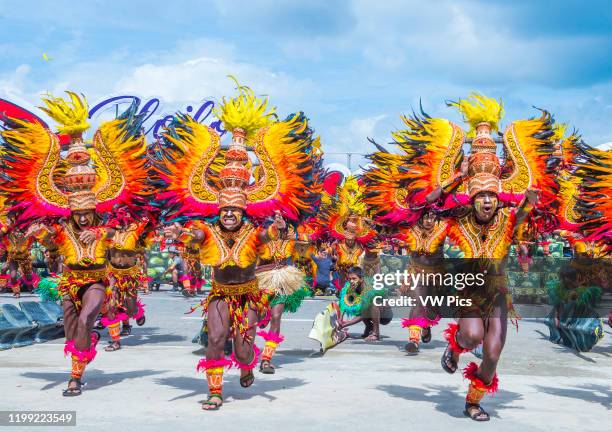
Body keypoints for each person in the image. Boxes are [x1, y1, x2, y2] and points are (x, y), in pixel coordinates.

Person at [157, 81, 319, 410]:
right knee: (216, 339)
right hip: (219, 294)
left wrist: (275, 229)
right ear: (219, 209)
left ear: (243, 210)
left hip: (248, 294)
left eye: (234, 210)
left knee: (244, 348)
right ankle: (215, 391)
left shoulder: (255, 232)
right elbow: (196, 237)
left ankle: (247, 363)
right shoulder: (208, 229)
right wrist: (182, 237)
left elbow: (266, 239)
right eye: (225, 210)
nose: (229, 214)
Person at [1, 92, 148, 396]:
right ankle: (85, 346)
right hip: (69, 281)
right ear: (71, 210)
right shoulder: (60, 228)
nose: (83, 218)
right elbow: (41, 237)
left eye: (87, 213)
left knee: (86, 318)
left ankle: (75, 377)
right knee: (72, 329)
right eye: (78, 213)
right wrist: (32, 232)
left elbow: (116, 236)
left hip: (96, 280)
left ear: (94, 209)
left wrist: (101, 234)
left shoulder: (104, 227)